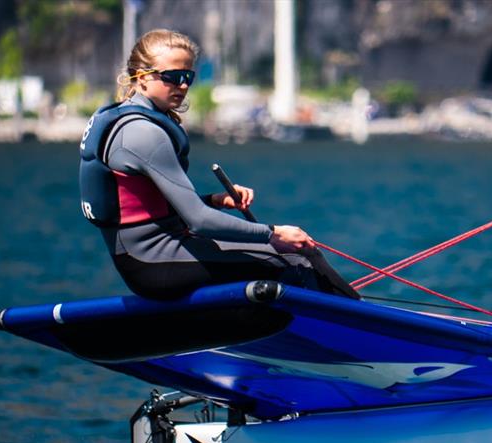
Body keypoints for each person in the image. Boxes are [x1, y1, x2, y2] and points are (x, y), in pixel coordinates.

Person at [79, 29, 358, 300]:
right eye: (172, 77)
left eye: (188, 76)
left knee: (297, 255)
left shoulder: (129, 120)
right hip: (154, 263)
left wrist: (215, 199)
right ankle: (361, 332)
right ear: (141, 78)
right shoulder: (143, 133)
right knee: (296, 259)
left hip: (152, 256)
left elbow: (151, 210)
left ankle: (351, 320)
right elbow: (199, 221)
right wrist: (273, 233)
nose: (184, 85)